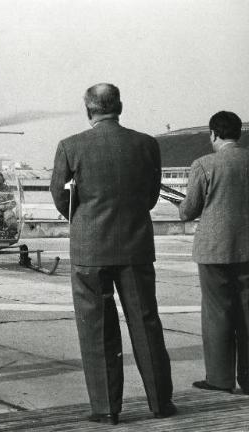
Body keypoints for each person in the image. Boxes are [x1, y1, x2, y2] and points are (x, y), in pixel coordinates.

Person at [50, 83, 175, 425]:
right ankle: (161, 403)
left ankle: (107, 409)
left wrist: (86, 221)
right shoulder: (147, 144)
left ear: (88, 108)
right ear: (120, 106)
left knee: (97, 329)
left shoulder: (70, 146)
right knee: (146, 322)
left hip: (90, 250)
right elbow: (151, 195)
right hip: (135, 247)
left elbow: (62, 199)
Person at [179, 111, 249, 395]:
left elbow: (188, 211)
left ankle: (220, 379)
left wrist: (181, 207)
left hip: (214, 250)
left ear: (213, 134)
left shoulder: (204, 164)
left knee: (217, 313)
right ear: (238, 134)